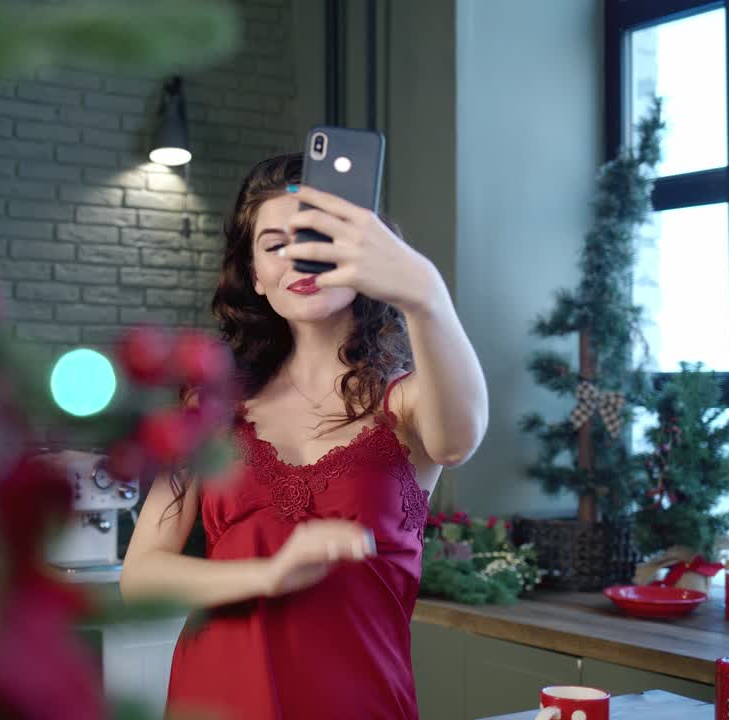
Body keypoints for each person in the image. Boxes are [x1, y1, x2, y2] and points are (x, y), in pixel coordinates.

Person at [119, 153, 488, 719]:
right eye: (273, 244)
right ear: (257, 278)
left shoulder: (408, 402)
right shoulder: (212, 407)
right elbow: (141, 575)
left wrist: (426, 294)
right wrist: (270, 574)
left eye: (317, 235)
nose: (297, 257)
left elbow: (458, 440)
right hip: (215, 699)